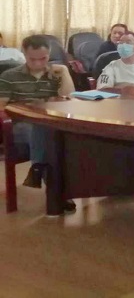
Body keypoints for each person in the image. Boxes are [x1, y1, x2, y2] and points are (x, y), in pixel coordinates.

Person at [0, 35, 76, 211]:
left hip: (52, 123)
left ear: (49, 54)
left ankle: (37, 169)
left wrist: (65, 72)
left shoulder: (56, 73)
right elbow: (1, 107)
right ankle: (58, 193)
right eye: (32, 59)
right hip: (20, 124)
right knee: (40, 128)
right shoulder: (9, 76)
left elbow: (70, 99)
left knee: (49, 130)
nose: (37, 63)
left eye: (43, 58)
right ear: (24, 54)